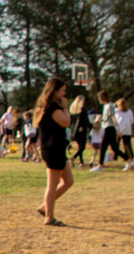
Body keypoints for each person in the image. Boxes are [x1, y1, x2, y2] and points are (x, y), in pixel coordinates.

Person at [34, 77, 73, 227]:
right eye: (62, 90)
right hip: (53, 149)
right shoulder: (52, 108)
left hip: (57, 148)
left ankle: (45, 207)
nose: (64, 94)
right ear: (55, 90)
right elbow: (66, 122)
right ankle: (49, 217)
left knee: (68, 181)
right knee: (52, 184)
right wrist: (65, 107)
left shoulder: (49, 106)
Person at [91, 91, 125, 172]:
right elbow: (107, 118)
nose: (99, 100)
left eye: (100, 98)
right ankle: (128, 160)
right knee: (114, 148)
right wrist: (101, 119)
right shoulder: (106, 106)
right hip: (107, 127)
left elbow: (113, 118)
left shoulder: (110, 105)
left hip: (109, 129)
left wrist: (118, 130)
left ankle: (100, 165)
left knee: (103, 146)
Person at [68, 95, 91, 168]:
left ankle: (81, 162)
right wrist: (91, 126)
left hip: (74, 131)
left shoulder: (72, 110)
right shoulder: (82, 110)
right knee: (82, 147)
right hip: (81, 130)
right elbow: (85, 121)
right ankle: (74, 157)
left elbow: (71, 121)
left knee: (80, 147)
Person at [115, 97, 134, 170]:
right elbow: (132, 120)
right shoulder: (129, 111)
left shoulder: (117, 111)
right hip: (127, 130)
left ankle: (116, 156)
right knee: (127, 145)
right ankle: (130, 157)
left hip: (119, 130)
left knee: (116, 144)